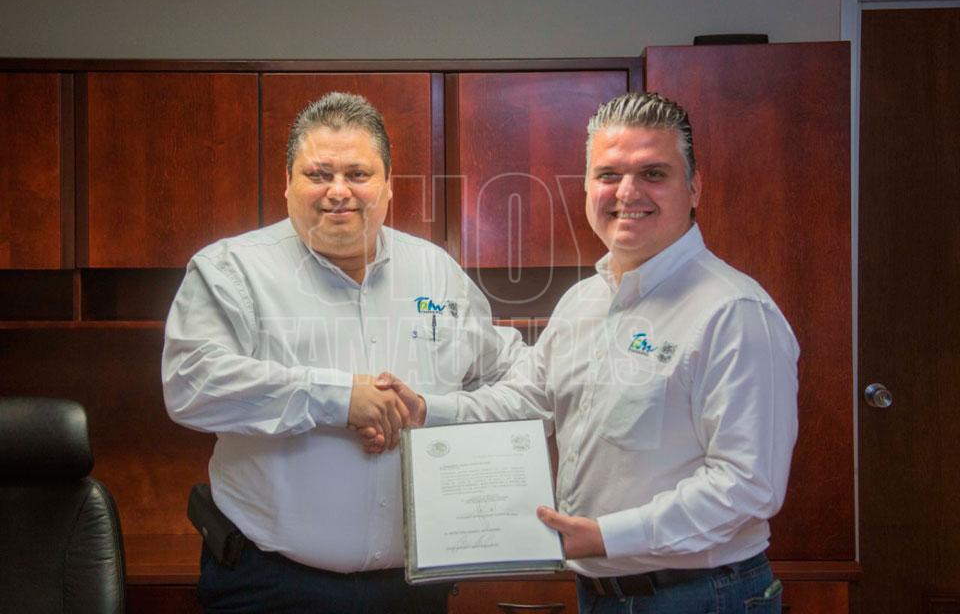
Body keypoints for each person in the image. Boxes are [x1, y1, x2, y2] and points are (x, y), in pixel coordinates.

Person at [371, 92, 799, 612]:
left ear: (694, 188)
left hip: (700, 595)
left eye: (653, 173)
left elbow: (748, 487)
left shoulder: (734, 312)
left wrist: (606, 537)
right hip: (599, 596)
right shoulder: (582, 302)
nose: (628, 192)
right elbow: (526, 401)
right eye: (608, 175)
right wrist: (424, 409)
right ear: (587, 188)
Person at [162, 92, 523, 613]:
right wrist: (338, 399)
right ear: (287, 183)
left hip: (411, 589)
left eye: (358, 174)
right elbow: (190, 384)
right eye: (318, 174)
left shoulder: (436, 271)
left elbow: (518, 378)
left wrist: (431, 412)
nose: (338, 191)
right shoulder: (231, 270)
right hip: (269, 585)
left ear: (388, 185)